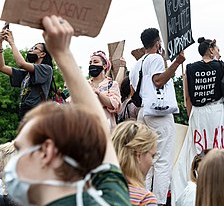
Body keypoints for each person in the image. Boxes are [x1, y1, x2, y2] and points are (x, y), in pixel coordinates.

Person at [2, 15, 131, 205]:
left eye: (21, 149)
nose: (12, 161)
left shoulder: (45, 70)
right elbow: (100, 134)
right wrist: (62, 52)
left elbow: (104, 122)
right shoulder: (111, 198)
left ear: (47, 152)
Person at [129, 28, 185, 205]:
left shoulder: (137, 64)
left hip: (143, 112)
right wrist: (177, 63)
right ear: (157, 42)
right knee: (162, 160)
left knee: (145, 158)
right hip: (159, 113)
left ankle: (141, 198)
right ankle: (159, 201)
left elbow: (133, 90)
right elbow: (158, 80)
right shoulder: (156, 58)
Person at [172, 37, 224, 203]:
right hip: (216, 111)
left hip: (198, 113)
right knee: (216, 145)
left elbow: (187, 97)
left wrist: (191, 116)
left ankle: (196, 180)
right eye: (217, 48)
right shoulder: (222, 66)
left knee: (197, 148)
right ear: (211, 50)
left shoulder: (189, 68)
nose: (219, 52)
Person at [0, 29, 53, 120]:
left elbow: (21, 63)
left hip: (36, 112)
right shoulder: (27, 74)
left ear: (42, 54)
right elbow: (2, 67)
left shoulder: (47, 69)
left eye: (35, 48)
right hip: (24, 111)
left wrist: (12, 43)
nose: (31, 49)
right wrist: (0, 43)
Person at [112, 121, 158, 205]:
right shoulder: (145, 199)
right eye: (152, 156)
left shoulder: (93, 189)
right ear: (138, 155)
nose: (152, 163)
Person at [87, 50, 121, 129]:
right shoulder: (84, 84)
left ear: (104, 66)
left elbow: (114, 105)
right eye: (90, 63)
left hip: (107, 128)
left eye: (95, 62)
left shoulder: (112, 84)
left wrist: (98, 92)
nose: (92, 65)